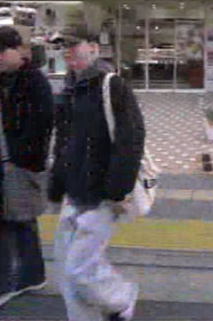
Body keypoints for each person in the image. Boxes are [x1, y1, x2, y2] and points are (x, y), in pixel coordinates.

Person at [49, 39, 145, 321]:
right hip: (73, 191)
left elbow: (131, 138)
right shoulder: (69, 87)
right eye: (62, 45)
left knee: (79, 270)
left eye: (73, 43)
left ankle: (121, 298)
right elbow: (63, 140)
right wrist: (56, 184)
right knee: (67, 270)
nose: (67, 50)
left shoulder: (111, 85)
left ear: (93, 47)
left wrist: (117, 191)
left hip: (101, 195)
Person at [0, 27, 54, 319]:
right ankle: (32, 275)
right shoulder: (4, 79)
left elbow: (42, 127)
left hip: (14, 168)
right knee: (21, 219)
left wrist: (21, 161)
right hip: (0, 165)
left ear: (20, 50)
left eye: (1, 51)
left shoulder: (34, 82)